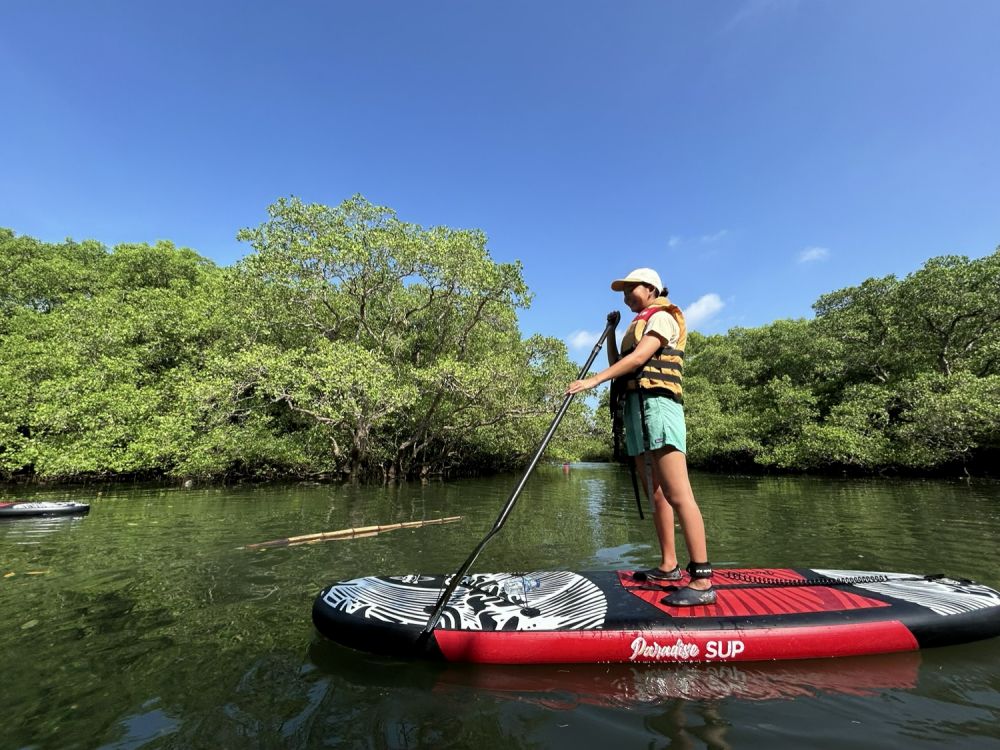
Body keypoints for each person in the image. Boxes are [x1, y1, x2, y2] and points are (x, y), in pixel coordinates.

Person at [566, 268, 715, 606]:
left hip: (659, 408)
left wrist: (592, 381)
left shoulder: (662, 318)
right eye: (622, 293)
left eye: (630, 290)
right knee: (656, 495)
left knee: (679, 495)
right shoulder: (637, 323)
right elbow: (622, 361)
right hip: (635, 411)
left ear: (650, 288)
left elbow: (638, 358)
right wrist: (612, 332)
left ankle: (703, 580)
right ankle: (669, 565)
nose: (625, 297)